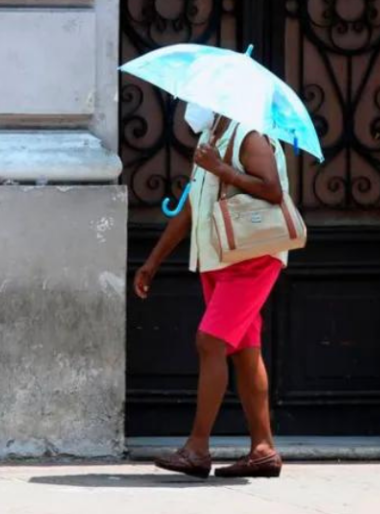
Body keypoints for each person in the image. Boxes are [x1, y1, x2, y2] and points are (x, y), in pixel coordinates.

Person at [133, 112, 289, 479]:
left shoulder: (250, 135)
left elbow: (272, 189)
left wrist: (221, 168)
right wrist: (153, 261)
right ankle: (263, 450)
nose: (191, 106)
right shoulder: (210, 137)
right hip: (218, 258)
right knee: (245, 351)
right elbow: (192, 207)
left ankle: (197, 449)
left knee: (210, 341)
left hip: (251, 256)